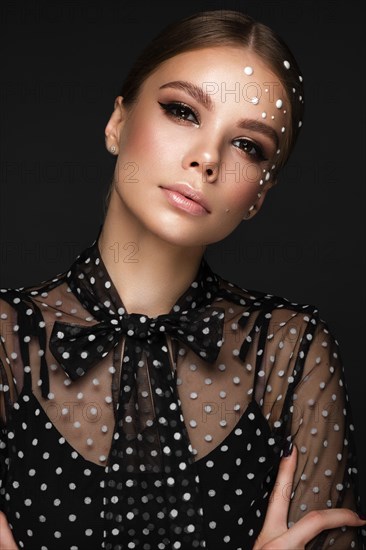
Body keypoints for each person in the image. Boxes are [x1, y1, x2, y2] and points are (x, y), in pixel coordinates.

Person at [0, 8, 365, 550]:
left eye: (248, 146)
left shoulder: (291, 349)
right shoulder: (7, 337)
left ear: (259, 196)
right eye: (183, 111)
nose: (207, 159)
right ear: (117, 122)